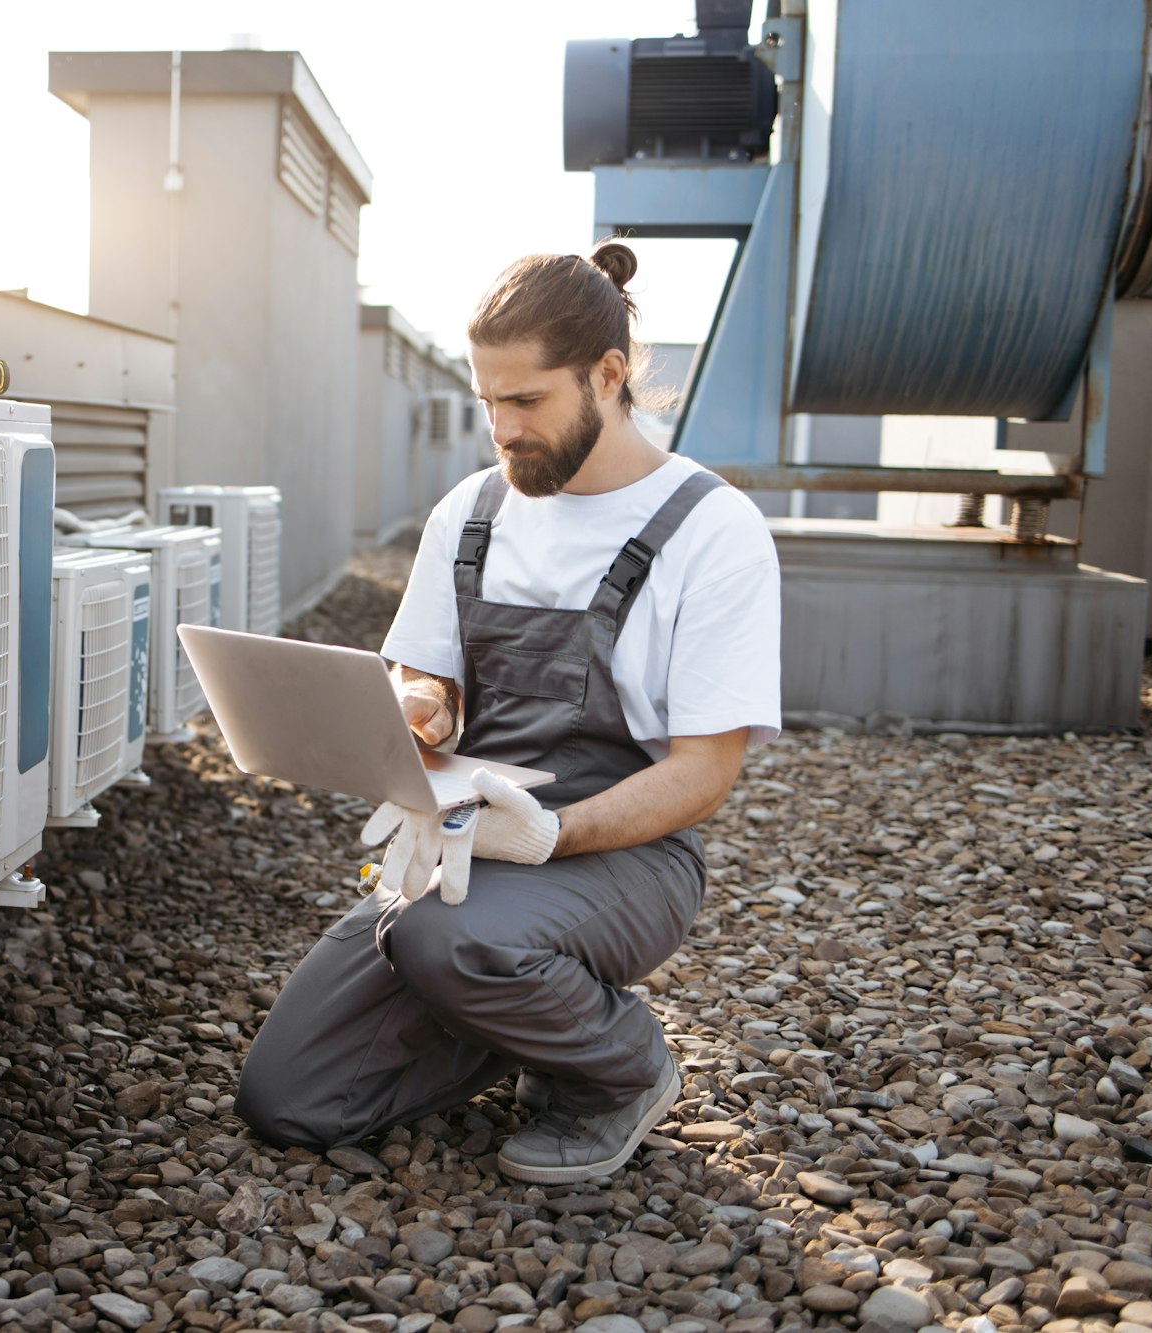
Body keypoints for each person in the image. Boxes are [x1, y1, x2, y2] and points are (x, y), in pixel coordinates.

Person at [234, 240, 782, 1183]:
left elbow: (706, 772)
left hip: (627, 854)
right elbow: (427, 677)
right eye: (489, 401)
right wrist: (420, 715)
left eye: (526, 401)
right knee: (290, 1099)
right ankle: (522, 1014)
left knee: (440, 934)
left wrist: (550, 835)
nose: (503, 428)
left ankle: (622, 1069)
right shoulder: (473, 510)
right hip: (471, 840)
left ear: (607, 376)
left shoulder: (710, 529)